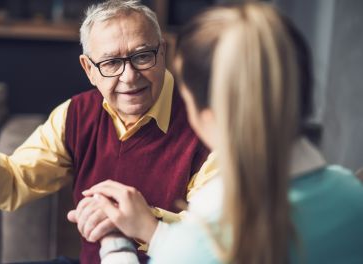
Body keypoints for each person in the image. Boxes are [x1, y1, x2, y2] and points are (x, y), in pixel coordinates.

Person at [0, 1, 215, 263]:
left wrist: (145, 220)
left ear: (162, 52)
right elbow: (13, 184)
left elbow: (216, 244)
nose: (129, 76)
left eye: (142, 56)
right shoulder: (75, 115)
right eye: (111, 62)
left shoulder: (208, 122)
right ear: (89, 69)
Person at [83, 2, 363, 264]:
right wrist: (155, 233)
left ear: (208, 113)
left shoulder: (196, 246)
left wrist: (115, 244)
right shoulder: (353, 197)